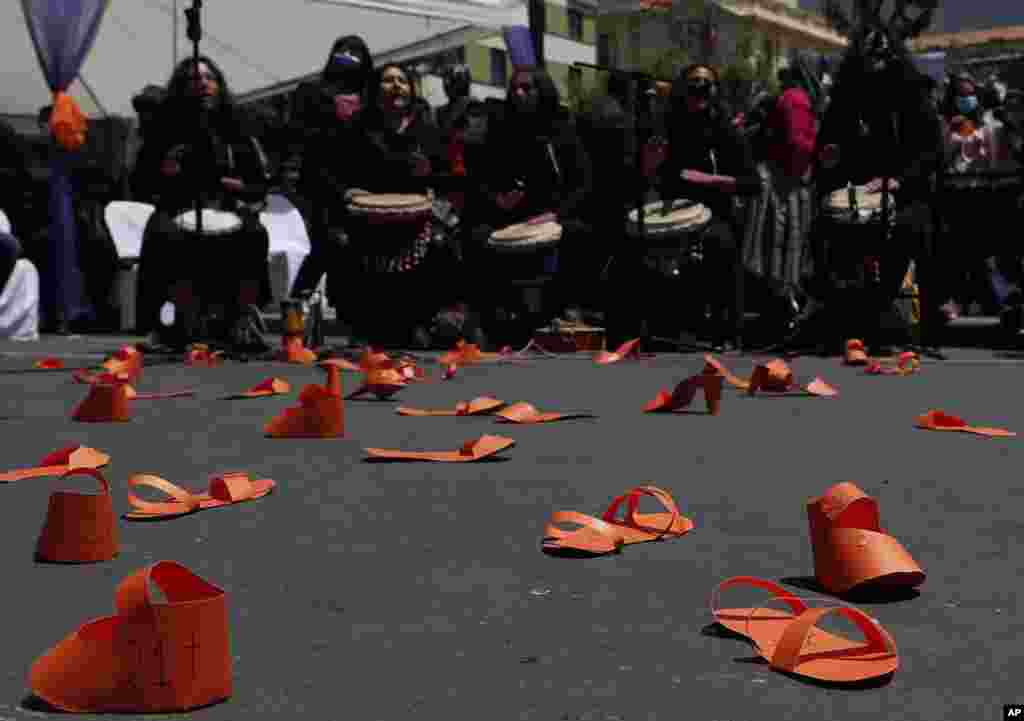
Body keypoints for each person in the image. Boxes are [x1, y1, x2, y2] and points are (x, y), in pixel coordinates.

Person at [812, 13, 944, 354]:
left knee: (910, 229)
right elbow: (828, 150)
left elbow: (931, 152)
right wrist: (829, 163)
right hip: (855, 192)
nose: (876, 63)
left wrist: (897, 181)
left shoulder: (913, 96)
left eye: (882, 57)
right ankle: (845, 316)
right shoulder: (844, 98)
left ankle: (892, 315)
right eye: (869, 57)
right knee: (827, 228)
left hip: (904, 191)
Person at [132, 56, 272, 351]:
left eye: (210, 78)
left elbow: (259, 184)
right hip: (178, 207)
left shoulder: (238, 127)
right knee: (161, 232)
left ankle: (242, 318)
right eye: (195, 79)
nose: (204, 84)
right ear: (181, 88)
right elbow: (140, 183)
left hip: (227, 207)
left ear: (219, 85)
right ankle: (162, 324)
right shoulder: (163, 129)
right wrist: (164, 174)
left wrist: (240, 187)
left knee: (254, 233)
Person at [467, 66, 593, 340]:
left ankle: (568, 307)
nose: (518, 93)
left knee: (578, 233)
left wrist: (554, 215)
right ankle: (491, 317)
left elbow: (582, 184)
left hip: (553, 216)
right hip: (510, 216)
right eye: (514, 89)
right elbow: (482, 181)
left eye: (526, 88)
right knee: (476, 236)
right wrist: (498, 199)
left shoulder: (562, 129)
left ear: (542, 90)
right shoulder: (500, 129)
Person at [341, 63, 458, 348]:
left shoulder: (427, 127)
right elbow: (338, 171)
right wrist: (349, 191)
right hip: (371, 217)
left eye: (402, 80)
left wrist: (430, 177)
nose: (396, 85)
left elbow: (447, 177)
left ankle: (421, 319)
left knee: (441, 243)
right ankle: (367, 323)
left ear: (411, 88)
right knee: (343, 242)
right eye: (388, 80)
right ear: (376, 88)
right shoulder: (360, 126)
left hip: (417, 216)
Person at [658, 64, 763, 350]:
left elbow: (752, 183)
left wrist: (712, 181)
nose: (700, 90)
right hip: (672, 212)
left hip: (715, 213)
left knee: (721, 242)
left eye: (706, 84)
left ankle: (726, 329)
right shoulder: (668, 125)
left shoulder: (726, 130)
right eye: (693, 84)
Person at [287, 35, 374, 308]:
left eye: (354, 52)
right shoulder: (311, 92)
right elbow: (301, 138)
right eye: (342, 51)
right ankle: (297, 307)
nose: (348, 56)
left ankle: (346, 310)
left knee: (350, 248)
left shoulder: (371, 99)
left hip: (362, 185)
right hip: (319, 185)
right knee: (327, 243)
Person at [939, 71, 1023, 321]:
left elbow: (996, 152)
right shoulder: (944, 123)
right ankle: (956, 300)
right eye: (961, 95)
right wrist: (952, 134)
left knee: (998, 251)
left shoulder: (992, 123)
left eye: (970, 94)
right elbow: (941, 157)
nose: (967, 99)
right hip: (955, 194)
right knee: (958, 252)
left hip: (990, 192)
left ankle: (1006, 299)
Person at [743, 66, 818, 340]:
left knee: (778, 249)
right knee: (783, 248)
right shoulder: (798, 100)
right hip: (784, 183)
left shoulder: (789, 99)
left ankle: (779, 313)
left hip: (779, 179)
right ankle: (780, 317)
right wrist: (801, 173)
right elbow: (797, 144)